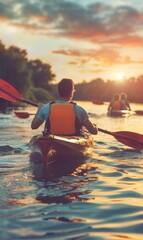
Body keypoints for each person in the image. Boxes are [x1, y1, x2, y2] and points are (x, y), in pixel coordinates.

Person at [31, 78, 98, 135]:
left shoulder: (46, 108)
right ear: (71, 92)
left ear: (58, 91)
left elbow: (33, 126)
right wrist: (95, 127)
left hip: (52, 138)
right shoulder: (79, 110)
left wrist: (39, 109)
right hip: (73, 139)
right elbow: (94, 132)